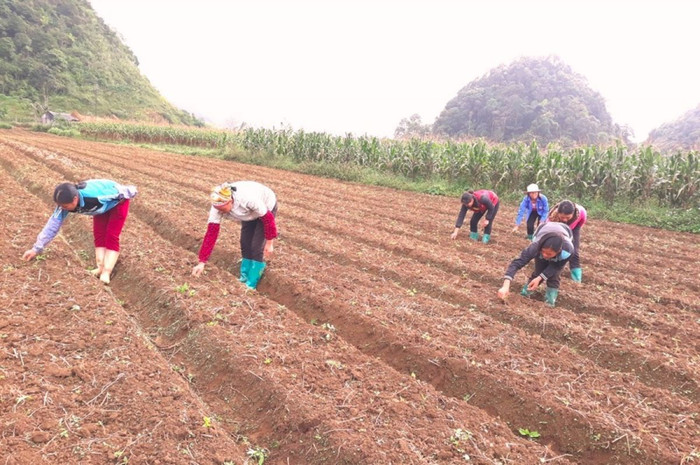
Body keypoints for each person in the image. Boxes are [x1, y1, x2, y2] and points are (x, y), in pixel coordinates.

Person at [22, 179, 137, 284]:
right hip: (100, 209)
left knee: (111, 235)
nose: (62, 208)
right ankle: (100, 267)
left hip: (117, 204)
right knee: (99, 235)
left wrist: (130, 192)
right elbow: (52, 226)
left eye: (65, 206)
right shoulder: (64, 205)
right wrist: (36, 249)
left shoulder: (96, 196)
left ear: (75, 199)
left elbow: (126, 191)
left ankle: (107, 272)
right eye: (60, 206)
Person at [192, 181, 278, 289]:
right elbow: (211, 234)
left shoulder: (247, 199)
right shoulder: (217, 207)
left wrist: (270, 242)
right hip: (248, 214)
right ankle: (244, 276)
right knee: (245, 243)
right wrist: (202, 262)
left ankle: (252, 282)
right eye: (218, 209)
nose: (221, 212)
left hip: (266, 206)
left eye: (223, 209)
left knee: (256, 247)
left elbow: (268, 219)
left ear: (230, 201)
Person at [497, 221, 574, 307]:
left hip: (565, 232)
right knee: (538, 271)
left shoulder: (567, 251)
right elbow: (517, 263)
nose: (545, 255)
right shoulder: (535, 247)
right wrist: (505, 285)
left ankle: (550, 302)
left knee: (554, 276)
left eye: (549, 254)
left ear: (558, 251)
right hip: (543, 230)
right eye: (543, 252)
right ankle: (525, 294)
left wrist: (540, 278)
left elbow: (555, 267)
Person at [546, 200, 587, 283]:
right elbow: (548, 230)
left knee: (574, 252)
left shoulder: (581, 212)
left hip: (574, 229)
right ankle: (551, 270)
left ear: (573, 213)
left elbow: (582, 221)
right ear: (558, 213)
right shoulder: (552, 218)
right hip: (557, 230)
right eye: (562, 217)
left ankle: (576, 279)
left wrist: (574, 230)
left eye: (567, 217)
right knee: (556, 249)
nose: (565, 219)